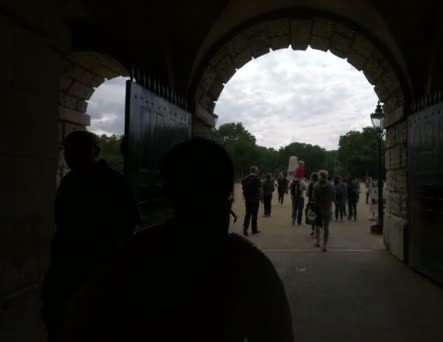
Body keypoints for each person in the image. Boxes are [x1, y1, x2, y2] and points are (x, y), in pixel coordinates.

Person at [59, 138, 294, 342]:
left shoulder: (134, 254)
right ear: (227, 194)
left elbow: (78, 324)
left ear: (168, 192)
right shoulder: (248, 263)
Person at [41, 130, 140, 341]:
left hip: (73, 270)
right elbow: (130, 224)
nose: (69, 155)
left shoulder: (71, 182)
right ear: (96, 151)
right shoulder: (114, 182)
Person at [313, 170, 335, 252]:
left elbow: (313, 198)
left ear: (321, 176)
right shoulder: (331, 186)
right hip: (328, 209)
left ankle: (318, 241)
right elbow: (333, 198)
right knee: (326, 228)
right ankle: (325, 245)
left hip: (318, 209)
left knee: (317, 226)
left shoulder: (316, 185)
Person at [242, 166, 262, 236]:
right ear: (255, 171)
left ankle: (245, 227)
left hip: (247, 199)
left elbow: (243, 189)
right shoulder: (257, 178)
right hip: (255, 199)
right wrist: (261, 198)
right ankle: (254, 229)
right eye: (257, 170)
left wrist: (245, 196)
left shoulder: (245, 178)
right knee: (254, 215)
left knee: (247, 214)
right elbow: (260, 189)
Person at [306, 172, 319, 237]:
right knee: (319, 216)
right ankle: (319, 230)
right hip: (319, 203)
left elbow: (307, 194)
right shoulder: (320, 184)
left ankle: (313, 230)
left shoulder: (310, 184)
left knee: (312, 217)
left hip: (312, 202)